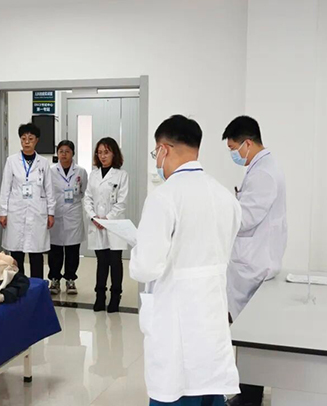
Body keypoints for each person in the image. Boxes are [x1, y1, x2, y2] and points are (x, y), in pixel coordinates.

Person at [130, 115, 242, 406]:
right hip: (212, 320)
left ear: (164, 149)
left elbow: (145, 267)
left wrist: (138, 247)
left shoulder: (164, 197)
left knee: (176, 389)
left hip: (175, 324)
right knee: (209, 390)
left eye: (156, 153)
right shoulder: (225, 197)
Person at [223, 116, 287, 406]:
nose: (233, 154)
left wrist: (223, 209)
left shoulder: (264, 173)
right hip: (254, 261)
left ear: (247, 143)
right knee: (249, 337)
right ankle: (248, 394)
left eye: (233, 148)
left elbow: (246, 218)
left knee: (250, 337)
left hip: (254, 265)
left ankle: (248, 398)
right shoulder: (262, 167)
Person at [0, 123, 55, 279]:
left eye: (30, 138)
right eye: (23, 139)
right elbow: (5, 188)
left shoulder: (43, 163)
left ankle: (37, 286)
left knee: (36, 253)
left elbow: (49, 190)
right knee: (17, 253)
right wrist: (3, 212)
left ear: (37, 140)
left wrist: (51, 213)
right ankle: (19, 286)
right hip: (16, 211)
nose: (26, 142)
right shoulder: (12, 161)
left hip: (37, 211)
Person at [83, 137, 129, 313]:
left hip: (114, 224)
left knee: (115, 261)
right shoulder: (93, 175)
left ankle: (115, 296)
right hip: (96, 224)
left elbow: (122, 202)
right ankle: (100, 296)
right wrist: (94, 217)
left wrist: (107, 218)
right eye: (100, 152)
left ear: (114, 154)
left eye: (106, 152)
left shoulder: (121, 175)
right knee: (101, 261)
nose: (102, 156)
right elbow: (87, 198)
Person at [48, 140, 89, 295]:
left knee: (72, 250)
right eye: (61, 151)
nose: (64, 154)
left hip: (73, 214)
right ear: (57, 154)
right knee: (55, 250)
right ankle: (54, 279)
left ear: (73, 153)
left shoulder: (81, 172)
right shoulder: (51, 171)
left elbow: (84, 191)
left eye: (67, 151)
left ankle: (70, 279)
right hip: (56, 213)